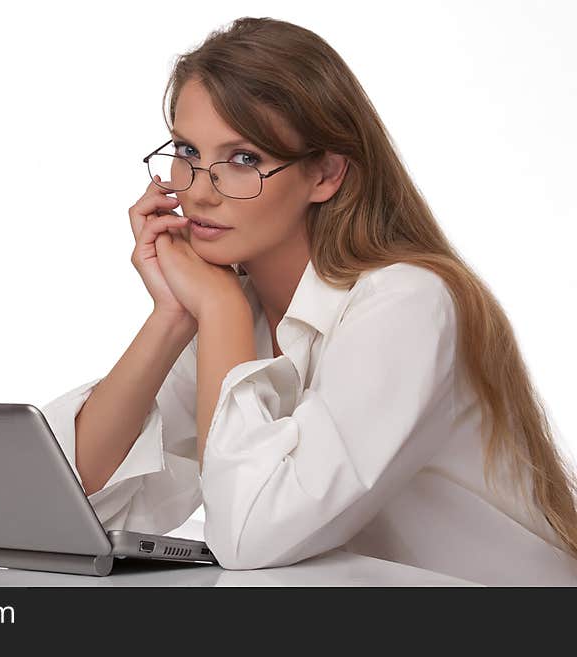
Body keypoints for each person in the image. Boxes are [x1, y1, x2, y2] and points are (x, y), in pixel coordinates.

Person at [40, 17, 577, 585]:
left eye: (243, 158)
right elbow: (70, 505)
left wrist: (216, 313)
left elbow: (248, 535)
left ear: (325, 173)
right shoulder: (233, 304)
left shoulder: (406, 304)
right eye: (187, 150)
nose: (197, 189)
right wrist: (172, 316)